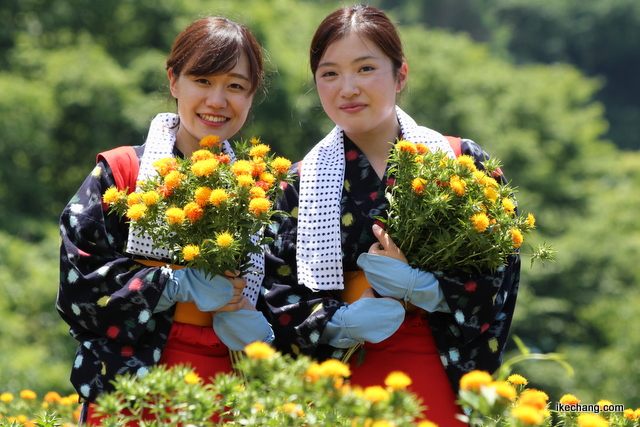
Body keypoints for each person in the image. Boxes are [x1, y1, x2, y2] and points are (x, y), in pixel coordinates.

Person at [257, 4, 520, 425]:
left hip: (438, 369)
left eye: (365, 69)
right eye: (329, 74)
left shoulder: (460, 162)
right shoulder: (296, 184)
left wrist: (428, 289)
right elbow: (272, 290)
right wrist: (339, 322)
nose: (347, 88)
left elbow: (500, 271)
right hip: (340, 375)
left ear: (400, 75)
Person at [56, 16, 274, 425]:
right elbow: (78, 290)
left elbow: (283, 289)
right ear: (174, 81)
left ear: (251, 96)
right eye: (203, 80)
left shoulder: (258, 191)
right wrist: (172, 285)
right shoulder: (122, 174)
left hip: (227, 392)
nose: (217, 100)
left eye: (235, 86)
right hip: (130, 390)